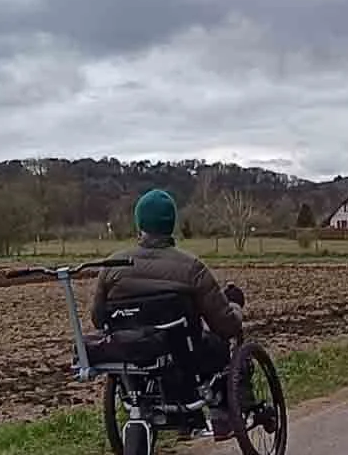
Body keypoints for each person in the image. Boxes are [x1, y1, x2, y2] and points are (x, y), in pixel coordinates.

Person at [91, 188, 247, 439]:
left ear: (139, 223)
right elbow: (224, 324)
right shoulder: (192, 268)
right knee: (217, 344)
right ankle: (221, 413)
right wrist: (236, 308)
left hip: (134, 350)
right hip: (184, 354)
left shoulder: (112, 266)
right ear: (170, 224)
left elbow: (99, 319)